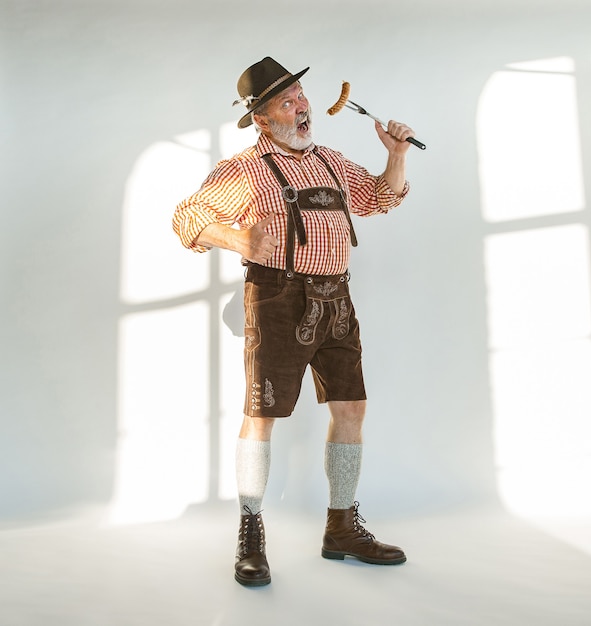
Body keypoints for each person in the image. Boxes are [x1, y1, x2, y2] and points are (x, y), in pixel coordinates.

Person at [173, 57, 415, 587]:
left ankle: (341, 528)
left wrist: (395, 157)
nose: (303, 106)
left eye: (302, 95)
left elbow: (379, 199)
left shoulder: (330, 160)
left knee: (351, 407)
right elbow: (186, 217)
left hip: (336, 299)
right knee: (262, 415)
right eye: (287, 101)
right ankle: (251, 532)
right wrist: (238, 239)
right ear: (262, 119)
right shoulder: (244, 169)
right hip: (277, 299)